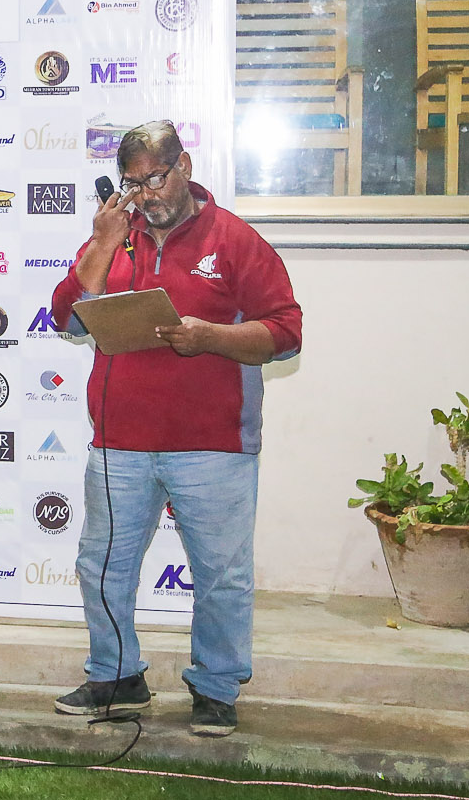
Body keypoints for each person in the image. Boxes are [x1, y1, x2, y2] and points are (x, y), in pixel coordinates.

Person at [49, 119, 302, 737]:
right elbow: (65, 317)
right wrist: (103, 244)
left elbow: (287, 332)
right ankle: (117, 677)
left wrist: (210, 337)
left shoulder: (235, 239)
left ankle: (215, 688)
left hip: (213, 445)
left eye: (156, 178)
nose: (146, 195)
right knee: (102, 566)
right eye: (132, 183)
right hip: (120, 443)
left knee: (221, 576)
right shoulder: (116, 236)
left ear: (184, 166)